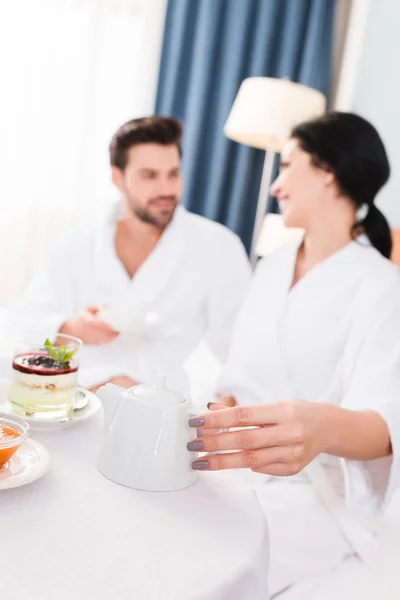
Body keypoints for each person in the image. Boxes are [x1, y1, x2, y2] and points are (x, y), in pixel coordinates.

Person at [187, 112, 400, 599]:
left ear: (328, 171)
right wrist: (223, 404)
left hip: (314, 493)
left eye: (287, 166)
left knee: (203, 569)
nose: (275, 185)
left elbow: (385, 430)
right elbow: (236, 373)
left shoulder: (381, 287)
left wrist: (319, 426)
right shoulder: (275, 262)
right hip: (237, 461)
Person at [6, 116, 250, 393]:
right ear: (117, 178)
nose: (166, 189)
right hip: (81, 394)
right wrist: (71, 327)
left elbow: (236, 346)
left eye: (173, 174)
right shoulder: (78, 244)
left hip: (168, 400)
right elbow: (23, 322)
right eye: (149, 176)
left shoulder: (219, 247)